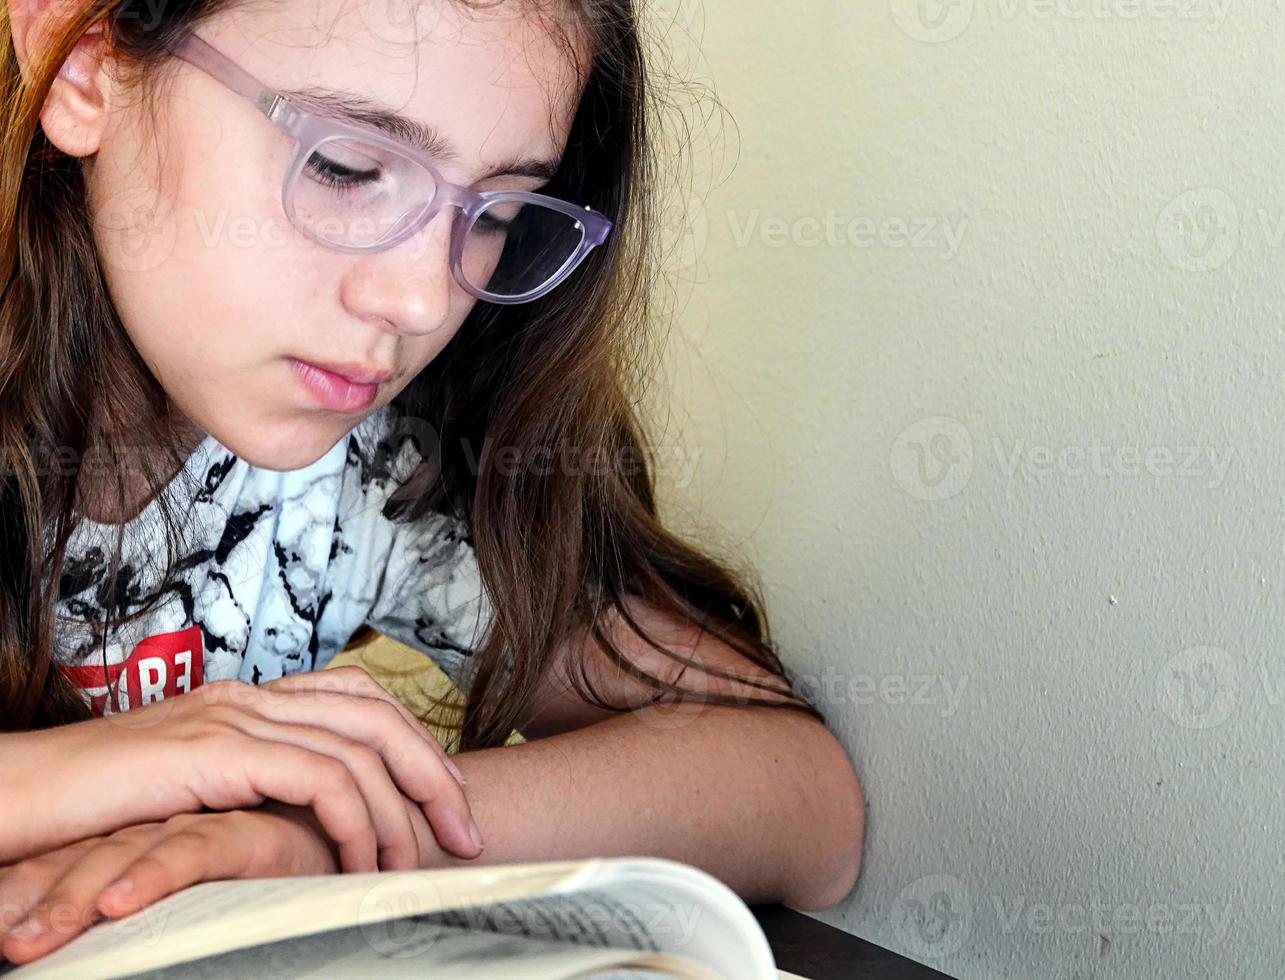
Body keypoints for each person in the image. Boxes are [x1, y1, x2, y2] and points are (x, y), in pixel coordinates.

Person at [0, 0, 865, 963]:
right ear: (84, 63)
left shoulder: (386, 464)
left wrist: (341, 832)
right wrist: (82, 775)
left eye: (493, 212)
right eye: (346, 166)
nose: (421, 299)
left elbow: (804, 797)